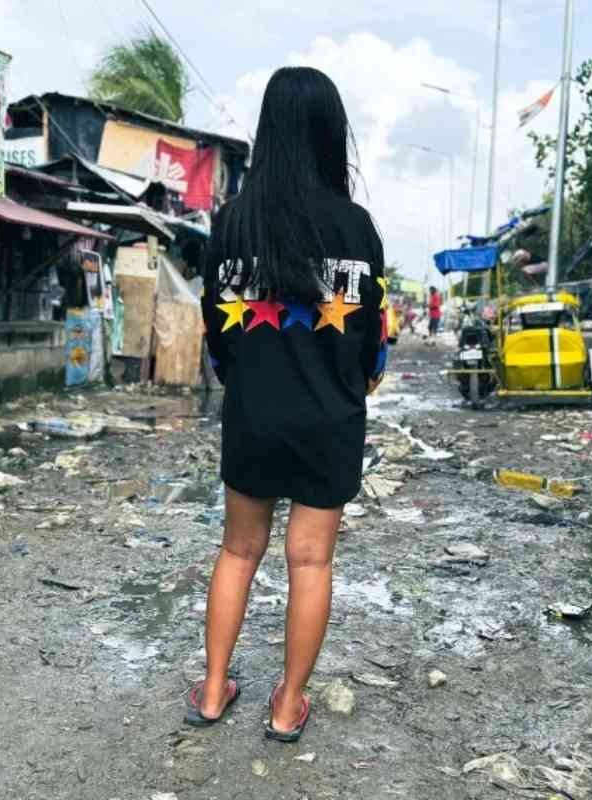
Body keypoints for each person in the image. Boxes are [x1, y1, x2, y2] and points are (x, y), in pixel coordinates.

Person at [190, 67, 386, 743]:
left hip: (254, 416)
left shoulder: (231, 222)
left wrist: (245, 381)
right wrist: (351, 383)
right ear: (332, 133)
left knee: (238, 551)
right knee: (310, 562)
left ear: (267, 133)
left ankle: (212, 691)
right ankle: (287, 705)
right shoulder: (356, 228)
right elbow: (372, 342)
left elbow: (216, 337)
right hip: (329, 420)